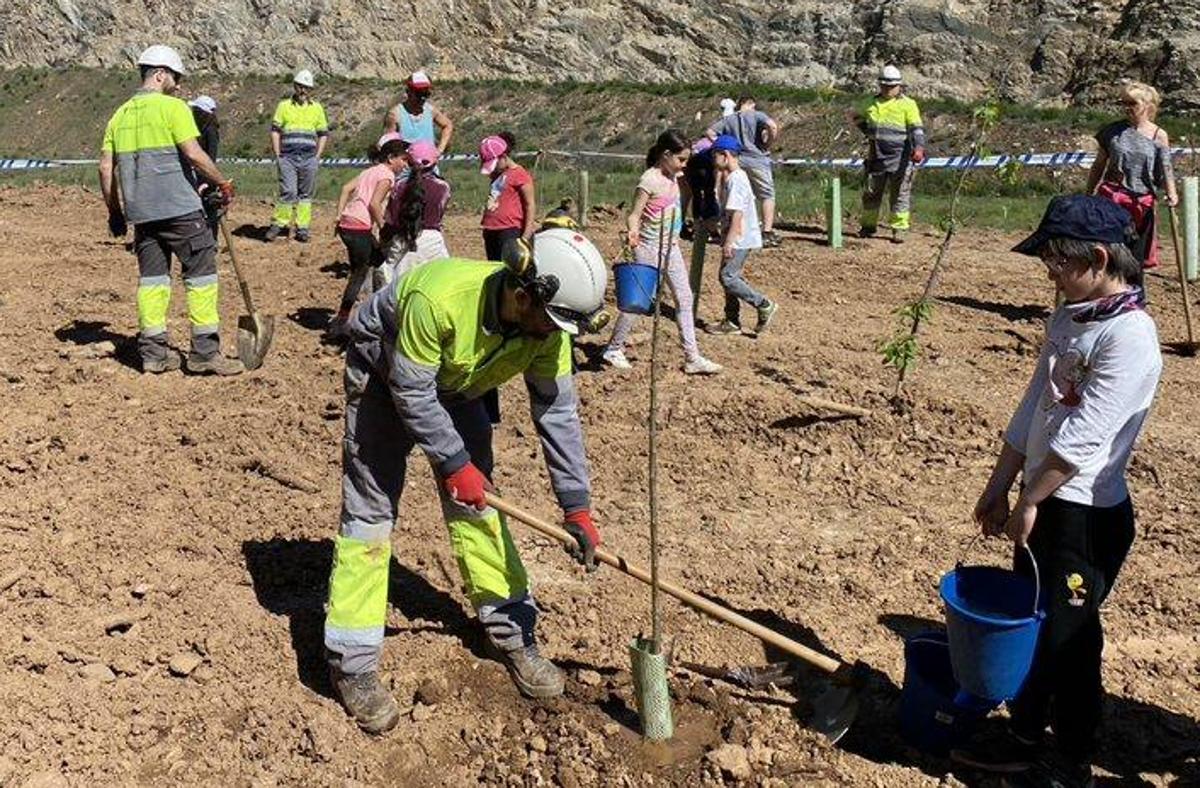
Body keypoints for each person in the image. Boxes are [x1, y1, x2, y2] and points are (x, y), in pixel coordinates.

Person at [322, 231, 609, 734]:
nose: (553, 336)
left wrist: (576, 506)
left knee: (482, 508)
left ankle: (511, 630)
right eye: (551, 322)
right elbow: (411, 392)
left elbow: (558, 414)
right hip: (383, 380)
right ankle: (354, 664)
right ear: (522, 294)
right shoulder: (439, 299)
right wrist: (454, 462)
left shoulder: (549, 332)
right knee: (370, 516)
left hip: (458, 384)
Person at [956, 195, 1161, 788]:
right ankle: (1022, 737)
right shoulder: (1072, 316)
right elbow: (1036, 409)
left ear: (1099, 258)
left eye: (1057, 260)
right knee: (1035, 622)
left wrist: (1030, 502)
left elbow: (1082, 439)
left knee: (1071, 638)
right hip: (1045, 500)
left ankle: (1071, 759)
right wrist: (1000, 485)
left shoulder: (1131, 336)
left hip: (1084, 515)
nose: (1049, 271)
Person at [98, 45, 242, 376]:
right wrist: (223, 183)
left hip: (143, 215)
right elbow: (194, 154)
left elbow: (106, 169)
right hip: (181, 211)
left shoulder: (118, 116)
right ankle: (205, 353)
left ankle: (153, 354)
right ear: (160, 74)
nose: (177, 85)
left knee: (153, 282)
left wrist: (115, 212)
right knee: (202, 277)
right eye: (175, 78)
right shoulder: (173, 108)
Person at [602, 130, 721, 375]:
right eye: (681, 159)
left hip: (671, 248)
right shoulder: (649, 180)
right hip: (648, 248)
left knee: (685, 299)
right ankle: (613, 348)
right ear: (666, 155)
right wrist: (633, 233)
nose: (684, 164)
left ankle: (692, 357)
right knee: (639, 302)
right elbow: (634, 214)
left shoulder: (674, 177)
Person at [1085, 81, 1178, 269]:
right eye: (1124, 104)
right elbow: (1099, 164)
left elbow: (1166, 166)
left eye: (1132, 104)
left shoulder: (1159, 136)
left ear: (1147, 105)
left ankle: (1135, 295)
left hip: (1141, 202)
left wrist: (1172, 193)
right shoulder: (1112, 132)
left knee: (1136, 254)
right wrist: (1089, 191)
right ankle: (1108, 293)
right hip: (1112, 197)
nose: (1127, 108)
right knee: (1110, 250)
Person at [328, 134, 409, 338]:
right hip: (359, 227)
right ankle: (342, 321)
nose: (405, 165)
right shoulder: (387, 176)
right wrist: (384, 227)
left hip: (348, 223)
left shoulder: (369, 171)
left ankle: (373, 307)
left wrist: (339, 215)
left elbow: (346, 188)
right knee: (359, 273)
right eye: (403, 160)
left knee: (378, 261)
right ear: (391, 158)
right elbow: (374, 203)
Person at [706, 135, 778, 336]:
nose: (713, 160)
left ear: (725, 155)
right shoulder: (734, 178)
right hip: (737, 236)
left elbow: (737, 214)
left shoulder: (737, 180)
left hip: (740, 238)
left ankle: (763, 304)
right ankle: (732, 320)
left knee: (727, 277)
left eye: (715, 155)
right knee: (728, 277)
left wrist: (729, 241)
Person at [853, 65, 926, 243]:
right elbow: (856, 117)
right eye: (885, 85)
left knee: (899, 195)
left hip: (901, 158)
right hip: (876, 157)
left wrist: (919, 148)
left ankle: (899, 229)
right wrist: (868, 132)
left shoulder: (908, 104)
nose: (888, 89)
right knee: (872, 193)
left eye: (892, 86)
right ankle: (868, 226)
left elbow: (916, 129)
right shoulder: (869, 103)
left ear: (899, 85)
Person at [706, 96, 781, 247]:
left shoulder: (729, 119)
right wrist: (768, 144)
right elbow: (772, 126)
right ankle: (767, 232)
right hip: (758, 159)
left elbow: (710, 132)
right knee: (767, 195)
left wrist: (724, 147)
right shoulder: (757, 115)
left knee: (736, 194)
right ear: (751, 103)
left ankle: (730, 227)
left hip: (737, 159)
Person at [265, 69, 329, 243]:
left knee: (305, 195)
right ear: (295, 86)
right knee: (288, 192)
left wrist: (317, 156)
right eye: (300, 86)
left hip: (309, 158)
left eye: (307, 87)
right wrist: (278, 154)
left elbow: (323, 133)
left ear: (311, 90)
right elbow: (275, 131)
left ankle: (302, 228)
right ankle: (279, 224)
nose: (303, 90)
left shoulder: (317, 108)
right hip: (288, 157)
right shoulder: (284, 106)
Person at [377, 139, 451, 288]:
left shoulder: (399, 186)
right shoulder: (443, 187)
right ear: (435, 163)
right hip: (432, 240)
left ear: (409, 162)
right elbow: (439, 213)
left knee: (390, 285)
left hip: (402, 238)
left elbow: (391, 220)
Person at [480, 132, 536, 259]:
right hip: (491, 229)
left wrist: (526, 236)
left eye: (494, 164)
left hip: (509, 230)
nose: (493, 169)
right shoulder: (497, 174)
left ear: (503, 157)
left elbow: (530, 204)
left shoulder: (520, 174)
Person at [382, 71, 454, 154]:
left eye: (426, 94)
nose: (422, 98)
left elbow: (447, 125)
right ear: (408, 92)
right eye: (419, 93)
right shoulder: (395, 114)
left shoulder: (430, 110)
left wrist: (439, 150)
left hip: (429, 164)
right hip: (406, 165)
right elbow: (387, 142)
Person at [187, 95, 221, 237]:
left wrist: (207, 181)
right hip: (198, 173)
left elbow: (210, 158)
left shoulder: (210, 131)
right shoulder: (198, 129)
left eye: (195, 109)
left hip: (205, 176)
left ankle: (210, 238)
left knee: (209, 207)